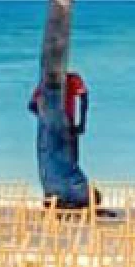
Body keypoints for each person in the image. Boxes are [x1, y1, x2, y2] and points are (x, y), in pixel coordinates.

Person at [29, 72, 93, 210]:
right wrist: (81, 123)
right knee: (69, 159)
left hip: (50, 127)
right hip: (66, 125)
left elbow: (32, 105)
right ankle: (71, 198)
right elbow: (84, 98)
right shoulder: (72, 78)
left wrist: (45, 119)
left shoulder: (45, 84)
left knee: (51, 160)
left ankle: (57, 197)